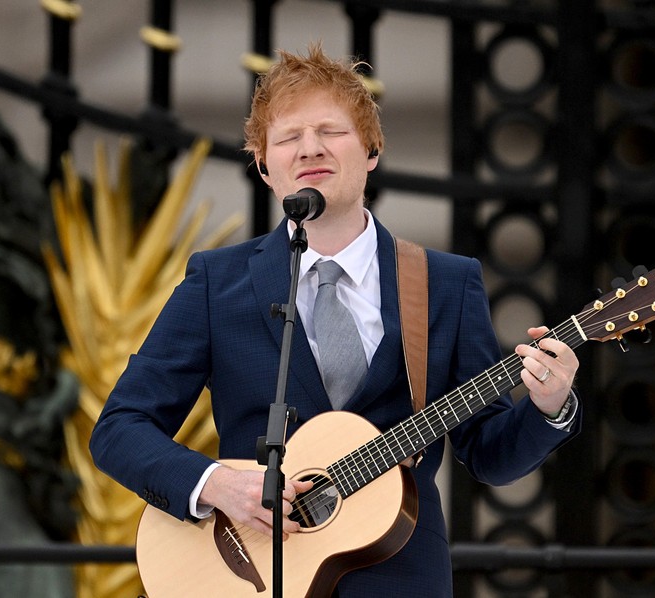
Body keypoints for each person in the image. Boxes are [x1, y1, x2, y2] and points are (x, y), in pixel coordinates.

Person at [89, 42, 581, 597]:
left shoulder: (444, 282)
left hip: (399, 580)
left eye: (331, 130)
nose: (310, 149)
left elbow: (489, 455)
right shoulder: (216, 282)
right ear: (264, 166)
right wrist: (219, 486)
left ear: (371, 150)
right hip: (249, 576)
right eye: (288, 138)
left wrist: (549, 406)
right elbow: (119, 429)